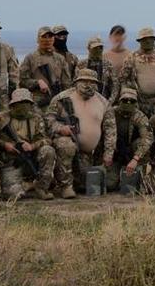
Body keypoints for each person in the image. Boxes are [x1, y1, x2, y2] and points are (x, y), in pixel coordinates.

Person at [44, 68, 112, 197]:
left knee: (85, 184)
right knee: (66, 145)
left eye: (92, 82)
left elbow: (110, 130)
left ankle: (65, 181)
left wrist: (108, 154)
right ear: (76, 82)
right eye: (84, 81)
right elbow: (48, 120)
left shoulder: (104, 102)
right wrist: (60, 128)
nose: (88, 85)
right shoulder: (61, 98)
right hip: (66, 144)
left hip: (88, 153)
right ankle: (65, 187)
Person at [0, 88, 58, 200]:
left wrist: (32, 146)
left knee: (48, 150)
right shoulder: (0, 118)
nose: (23, 106)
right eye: (19, 103)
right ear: (12, 104)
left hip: (30, 158)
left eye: (26, 103)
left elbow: (47, 140)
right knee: (14, 195)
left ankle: (41, 187)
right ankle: (24, 185)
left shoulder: (36, 118)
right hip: (11, 162)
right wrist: (5, 145)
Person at [104, 88, 154, 192]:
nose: (128, 103)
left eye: (131, 101)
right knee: (109, 185)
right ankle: (118, 174)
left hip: (132, 153)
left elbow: (148, 137)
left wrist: (135, 159)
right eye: (125, 100)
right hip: (114, 153)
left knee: (141, 143)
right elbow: (109, 135)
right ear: (119, 100)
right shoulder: (111, 113)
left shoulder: (139, 116)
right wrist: (108, 156)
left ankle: (142, 177)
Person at [18, 26, 71, 110]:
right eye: (44, 37)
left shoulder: (60, 59)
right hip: (37, 103)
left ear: (53, 39)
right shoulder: (31, 58)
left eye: (50, 37)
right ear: (38, 39)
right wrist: (37, 82)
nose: (47, 40)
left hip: (57, 101)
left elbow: (66, 83)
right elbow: (22, 81)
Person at [77, 36, 119, 101]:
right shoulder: (81, 65)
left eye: (100, 48)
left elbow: (115, 86)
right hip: (84, 101)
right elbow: (75, 84)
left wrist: (110, 101)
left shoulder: (108, 65)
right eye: (95, 48)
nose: (98, 50)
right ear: (89, 48)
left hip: (103, 102)